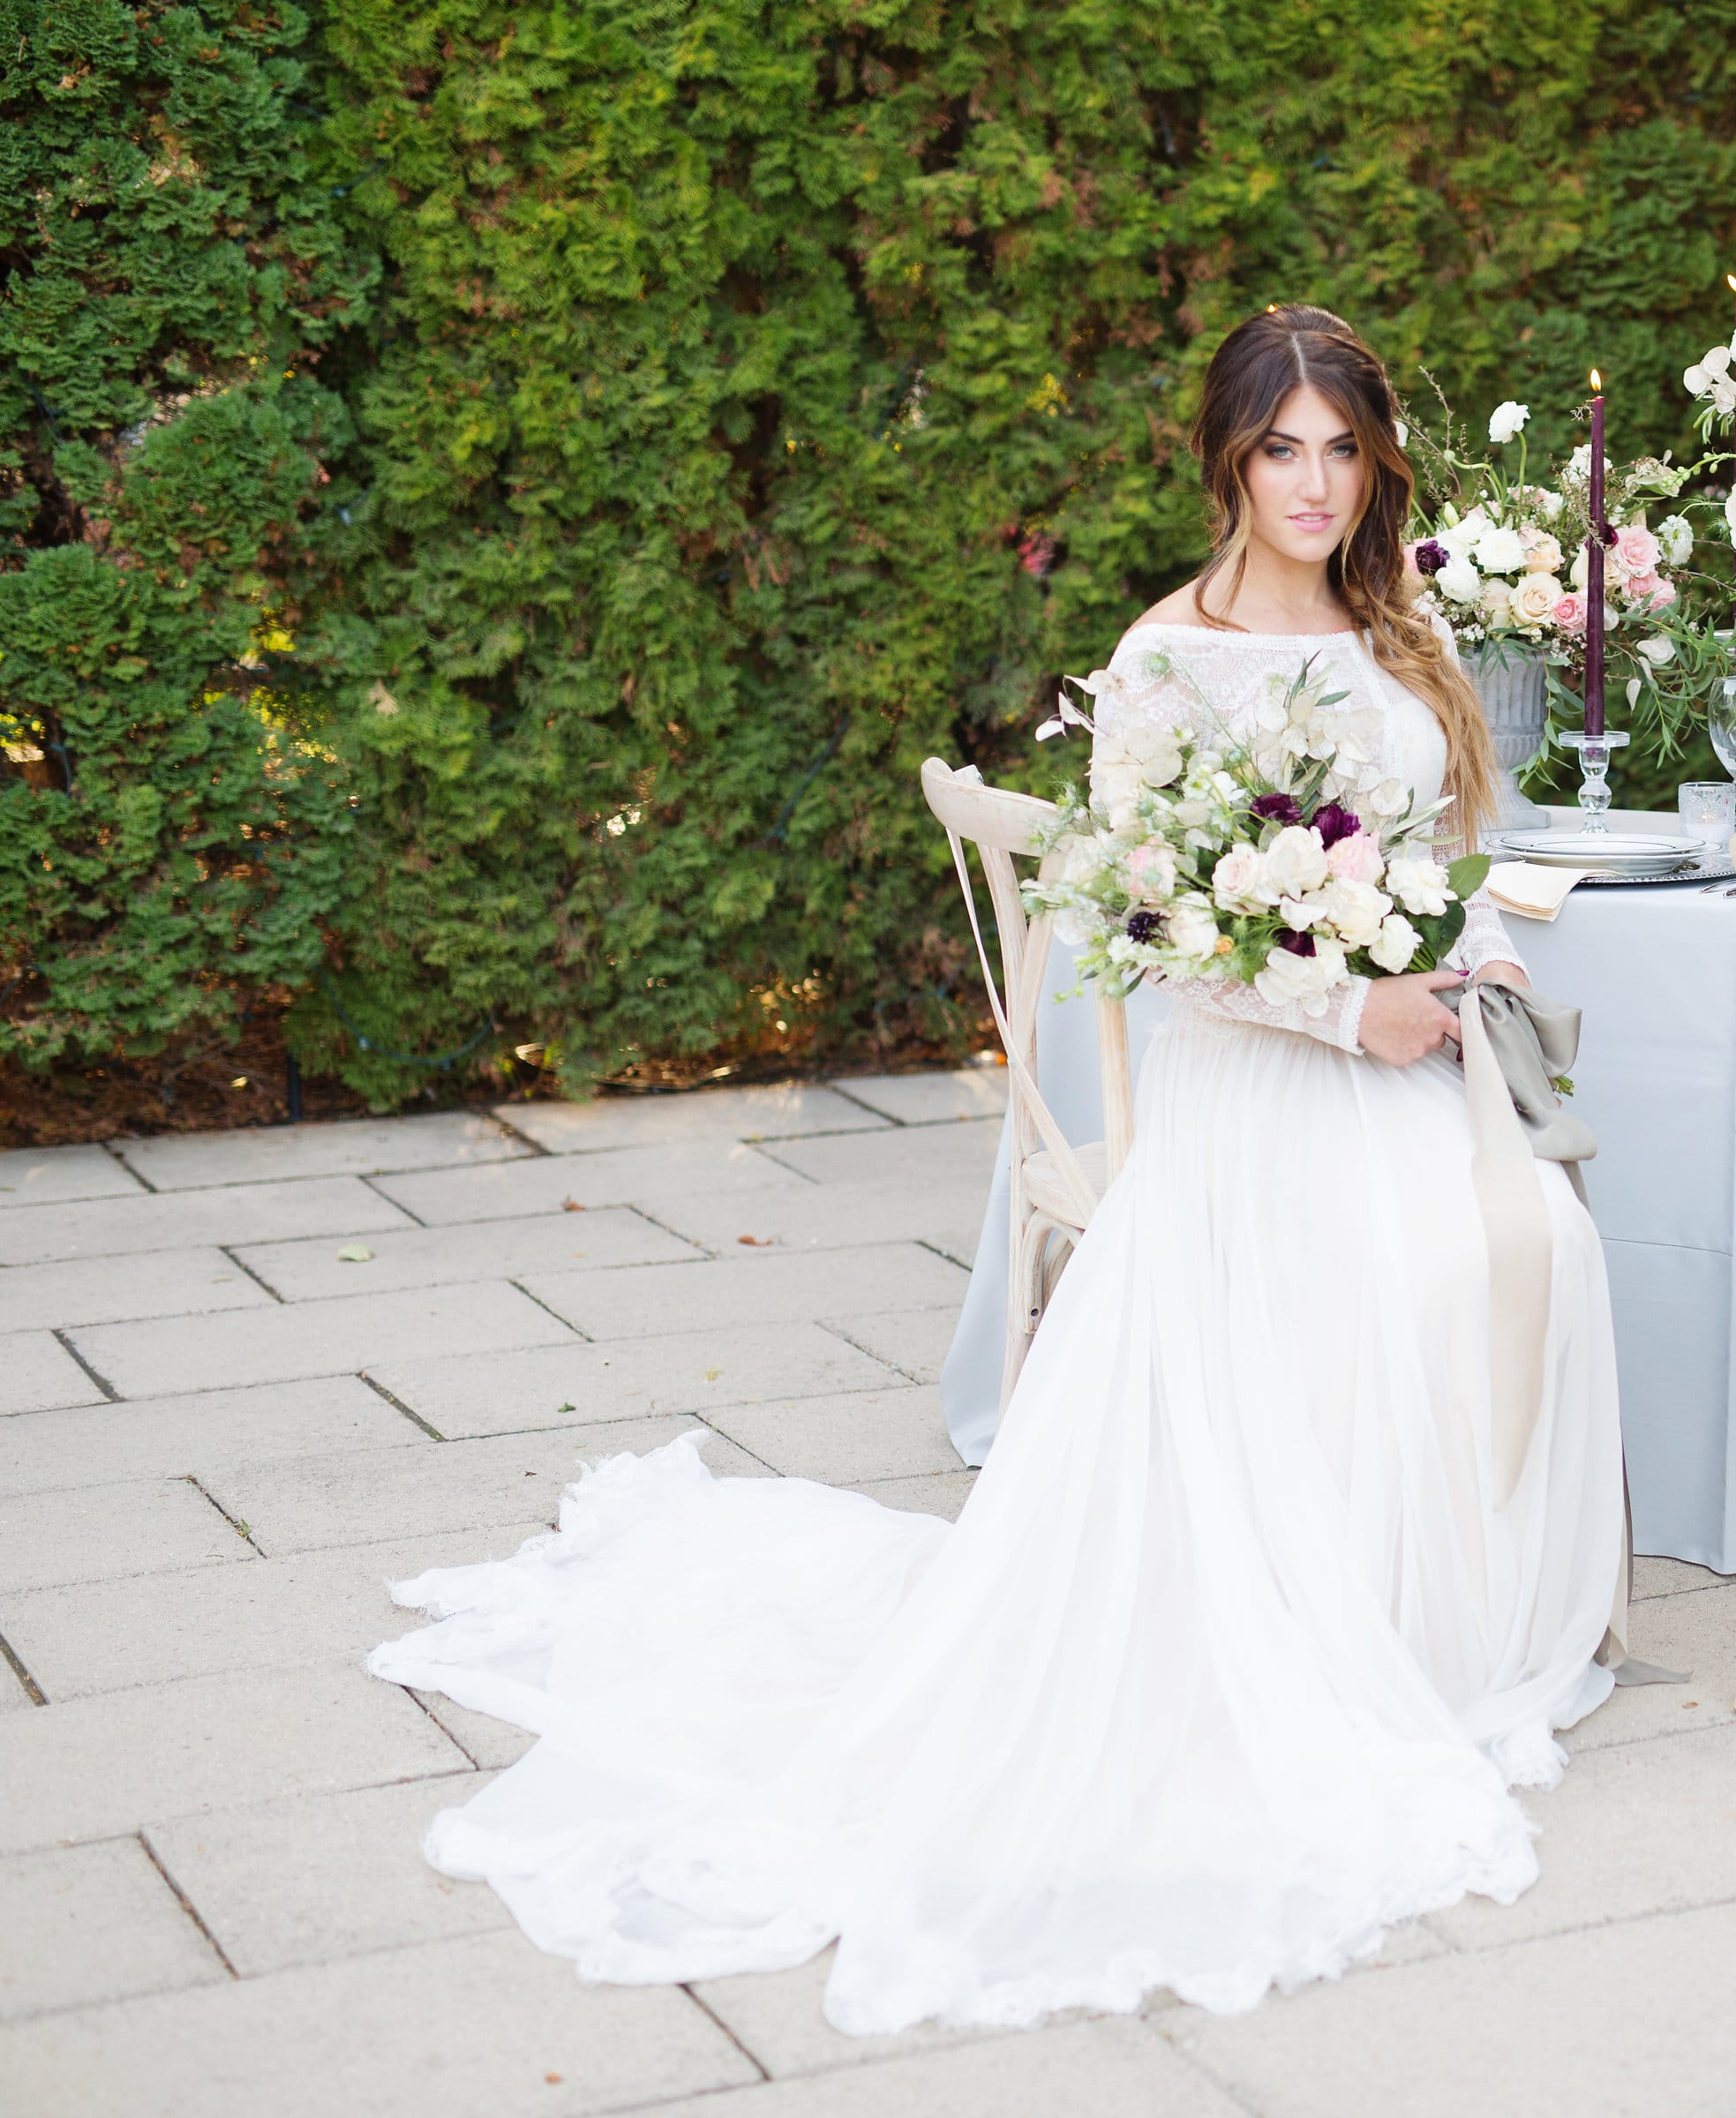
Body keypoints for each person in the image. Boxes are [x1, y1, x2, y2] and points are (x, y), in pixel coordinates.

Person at [368, 304, 1626, 2032]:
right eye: (1284, 448)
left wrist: (1460, 957)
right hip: (1259, 1079)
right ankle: (1314, 1640)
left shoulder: (1399, 632)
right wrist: (1344, 1012)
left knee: (1531, 1232)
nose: (1316, 481)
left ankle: (1436, 1630)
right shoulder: (1169, 660)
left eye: (1343, 446)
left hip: (1410, 1051)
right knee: (1391, 1261)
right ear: (1229, 460)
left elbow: (1452, 851)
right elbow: (1154, 932)